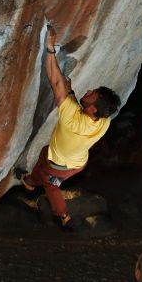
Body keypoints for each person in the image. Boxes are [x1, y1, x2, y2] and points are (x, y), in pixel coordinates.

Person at [19, 23, 121, 228]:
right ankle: (29, 182)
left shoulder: (72, 119)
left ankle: (62, 216)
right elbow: (75, 101)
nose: (90, 90)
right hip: (76, 164)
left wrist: (50, 47)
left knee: (50, 184)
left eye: (93, 94)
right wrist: (72, 93)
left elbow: (56, 82)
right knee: (44, 154)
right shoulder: (104, 120)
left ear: (93, 109)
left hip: (60, 167)